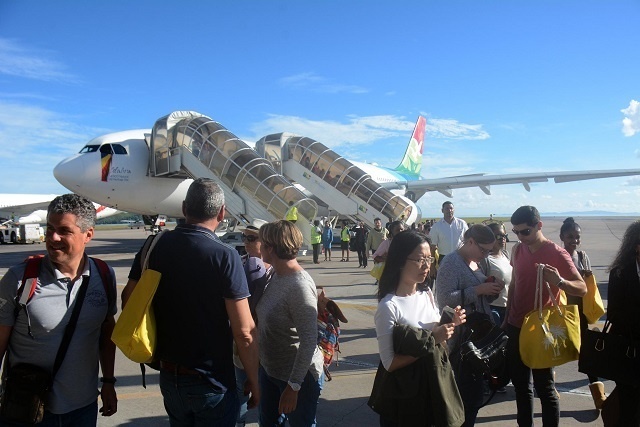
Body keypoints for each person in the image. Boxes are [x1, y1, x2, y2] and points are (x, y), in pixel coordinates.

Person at [123, 178, 259, 427]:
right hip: (211, 380)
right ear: (222, 212)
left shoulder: (154, 245)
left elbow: (128, 300)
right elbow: (245, 331)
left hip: (169, 375)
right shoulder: (225, 255)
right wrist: (254, 379)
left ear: (184, 209)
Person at [0, 194, 118, 425]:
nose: (53, 237)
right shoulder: (20, 278)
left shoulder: (104, 276)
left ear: (88, 235)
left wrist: (109, 382)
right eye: (50, 228)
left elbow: (106, 333)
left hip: (82, 408)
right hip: (26, 407)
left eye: (64, 230)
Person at [373, 230, 465, 426]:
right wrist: (433, 340)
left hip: (433, 388)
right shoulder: (389, 306)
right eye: (419, 259)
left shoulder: (427, 294)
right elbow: (389, 363)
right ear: (400, 261)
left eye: (429, 258)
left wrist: (450, 324)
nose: (426, 265)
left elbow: (436, 336)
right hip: (405, 399)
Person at [504, 206, 586, 427]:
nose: (520, 237)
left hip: (541, 329)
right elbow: (514, 284)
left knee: (545, 389)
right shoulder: (517, 250)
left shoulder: (556, 253)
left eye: (525, 232)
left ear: (539, 226)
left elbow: (581, 288)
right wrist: (506, 318)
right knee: (521, 387)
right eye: (516, 232)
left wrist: (559, 281)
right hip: (515, 325)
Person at [256, 220, 324, 426]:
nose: (258, 246)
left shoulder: (298, 286)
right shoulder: (275, 274)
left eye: (261, 242)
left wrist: (294, 386)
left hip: (297, 378)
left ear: (271, 248)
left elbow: (309, 340)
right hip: (270, 370)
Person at [434, 224, 503, 426]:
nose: (485, 254)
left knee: (474, 396)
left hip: (479, 339)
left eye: (489, 251)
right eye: (483, 250)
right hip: (462, 343)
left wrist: (491, 290)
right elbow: (445, 300)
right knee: (467, 398)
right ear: (470, 241)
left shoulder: (475, 262)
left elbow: (479, 299)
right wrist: (479, 289)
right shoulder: (451, 263)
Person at [559, 217, 607, 410]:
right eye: (570, 236)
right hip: (562, 311)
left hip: (580, 311)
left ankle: (597, 393)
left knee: (585, 350)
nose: (574, 240)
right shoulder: (558, 255)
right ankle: (548, 386)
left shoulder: (582, 255)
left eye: (577, 237)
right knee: (557, 348)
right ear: (562, 236)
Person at [235, 221, 273, 427]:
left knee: (261, 402)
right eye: (244, 237)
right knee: (244, 398)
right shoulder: (240, 263)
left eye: (252, 238)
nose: (246, 242)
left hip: (260, 344)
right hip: (249, 343)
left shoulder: (268, 268)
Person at [606, 220, 640, 425]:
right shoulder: (620, 272)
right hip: (628, 349)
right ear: (636, 246)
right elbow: (614, 315)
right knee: (628, 405)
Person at [478, 222, 512, 326]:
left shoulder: (505, 254)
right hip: (493, 308)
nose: (502, 239)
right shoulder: (484, 259)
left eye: (504, 236)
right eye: (498, 236)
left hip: (507, 307)